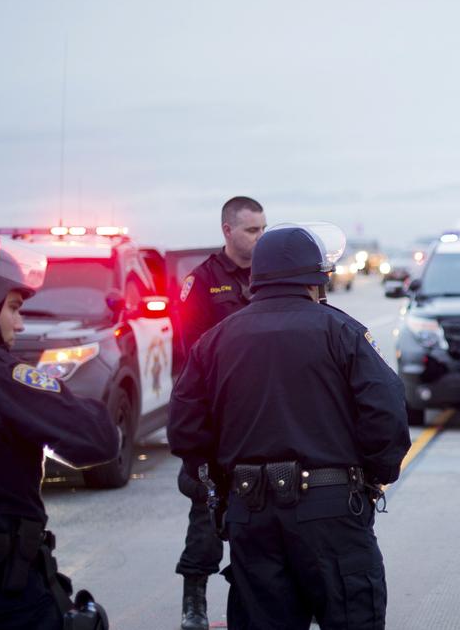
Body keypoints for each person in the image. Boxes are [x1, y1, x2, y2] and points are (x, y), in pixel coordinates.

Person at [168, 222, 411, 630]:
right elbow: (386, 413)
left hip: (250, 512)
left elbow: (185, 429)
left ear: (256, 280)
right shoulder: (342, 332)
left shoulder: (215, 340)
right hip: (330, 511)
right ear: (316, 280)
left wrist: (221, 488)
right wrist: (374, 478)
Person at [0, 236, 119, 629]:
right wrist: (57, 394)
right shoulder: (8, 378)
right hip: (8, 590)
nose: (19, 322)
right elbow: (98, 439)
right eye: (13, 308)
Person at [173, 195, 266, 630]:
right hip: (217, 415)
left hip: (261, 411)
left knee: (261, 516)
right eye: (252, 230)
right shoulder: (202, 281)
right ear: (228, 231)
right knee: (207, 512)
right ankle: (195, 602)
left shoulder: (273, 276)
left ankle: (253, 600)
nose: (260, 237)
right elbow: (192, 356)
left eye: (264, 229)